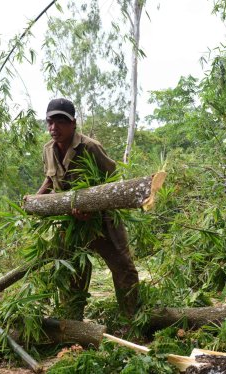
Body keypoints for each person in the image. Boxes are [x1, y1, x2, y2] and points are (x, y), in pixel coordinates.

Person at [34, 98, 140, 320]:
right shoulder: (47, 150)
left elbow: (112, 179)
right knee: (73, 270)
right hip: (72, 224)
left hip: (103, 221)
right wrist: (37, 200)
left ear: (73, 123)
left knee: (123, 269)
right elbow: (49, 178)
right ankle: (73, 323)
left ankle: (132, 321)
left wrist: (93, 206)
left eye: (60, 121)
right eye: (50, 122)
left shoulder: (90, 147)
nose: (54, 128)